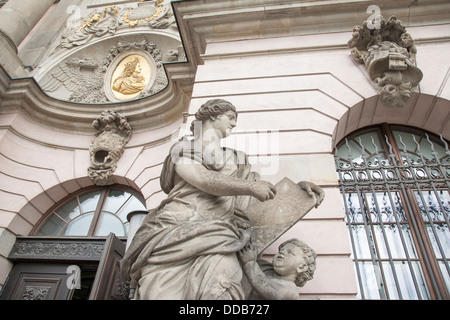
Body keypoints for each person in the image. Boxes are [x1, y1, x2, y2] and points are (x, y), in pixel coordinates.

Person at [120, 99, 278, 299]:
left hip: (220, 234)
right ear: (213, 116)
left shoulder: (237, 158)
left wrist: (299, 190)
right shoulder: (183, 149)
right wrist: (250, 187)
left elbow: (258, 198)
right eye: (230, 118)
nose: (234, 124)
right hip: (176, 228)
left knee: (223, 287)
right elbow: (202, 179)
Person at [239, 239, 317, 300]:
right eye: (280, 251)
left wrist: (249, 263)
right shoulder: (268, 269)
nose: (282, 252)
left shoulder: (290, 290)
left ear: (301, 267)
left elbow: (265, 288)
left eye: (289, 252)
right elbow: (254, 257)